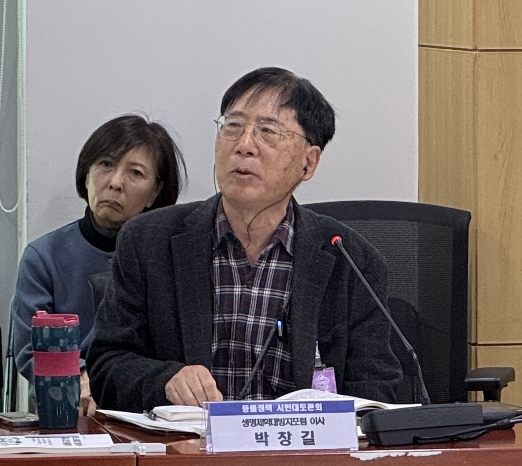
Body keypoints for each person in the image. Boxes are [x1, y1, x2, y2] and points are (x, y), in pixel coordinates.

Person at [88, 66, 403, 411]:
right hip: (190, 443)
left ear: (308, 163)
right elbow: (106, 366)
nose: (244, 145)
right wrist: (166, 381)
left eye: (268, 132)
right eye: (233, 126)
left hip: (300, 444)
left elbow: (375, 391)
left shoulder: (351, 261)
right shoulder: (148, 241)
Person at [8, 114, 184, 380]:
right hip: (67, 394)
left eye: (135, 173)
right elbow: (32, 352)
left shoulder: (170, 259)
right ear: (86, 176)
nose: (115, 182)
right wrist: (79, 378)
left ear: (155, 193)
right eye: (106, 164)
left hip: (145, 392)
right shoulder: (43, 257)